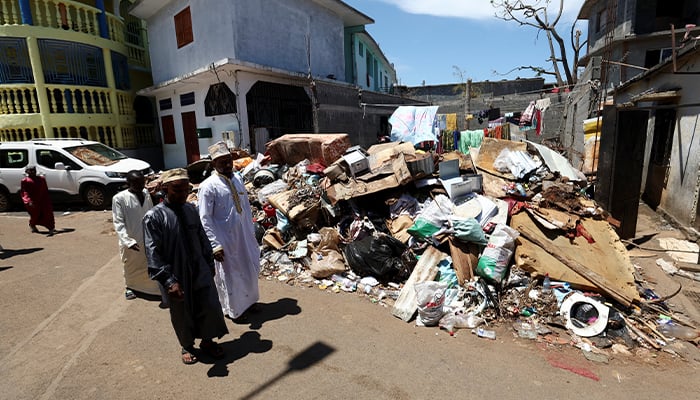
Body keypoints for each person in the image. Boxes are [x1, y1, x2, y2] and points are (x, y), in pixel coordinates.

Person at [143, 168, 228, 365]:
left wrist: (209, 261)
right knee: (182, 311)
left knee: (208, 304)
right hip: (175, 272)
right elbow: (152, 251)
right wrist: (168, 280)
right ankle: (187, 346)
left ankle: (207, 341)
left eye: (185, 190)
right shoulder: (154, 217)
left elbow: (201, 236)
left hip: (199, 267)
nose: (182, 195)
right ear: (165, 189)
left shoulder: (191, 209)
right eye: (177, 190)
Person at [198, 141, 260, 321]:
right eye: (221, 161)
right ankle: (235, 310)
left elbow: (246, 208)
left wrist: (251, 231)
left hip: (245, 235)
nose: (226, 164)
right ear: (213, 164)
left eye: (228, 160)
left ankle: (250, 302)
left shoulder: (238, 178)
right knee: (230, 274)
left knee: (250, 267)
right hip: (226, 239)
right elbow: (205, 218)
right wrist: (215, 245)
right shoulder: (208, 186)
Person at [112, 170, 166, 302]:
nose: (141, 185)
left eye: (142, 182)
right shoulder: (119, 198)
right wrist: (128, 241)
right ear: (128, 183)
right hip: (131, 239)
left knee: (149, 263)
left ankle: (152, 289)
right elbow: (118, 222)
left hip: (148, 237)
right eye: (136, 183)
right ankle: (130, 287)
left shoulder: (146, 193)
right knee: (131, 265)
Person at [20, 165, 55, 235]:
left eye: (33, 170)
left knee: (48, 214)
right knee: (35, 215)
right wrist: (28, 201)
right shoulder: (25, 181)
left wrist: (47, 199)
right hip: (33, 201)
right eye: (30, 170)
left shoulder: (41, 179)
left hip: (43, 200)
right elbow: (24, 192)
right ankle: (32, 225)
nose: (32, 172)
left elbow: (45, 189)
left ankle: (51, 228)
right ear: (27, 172)